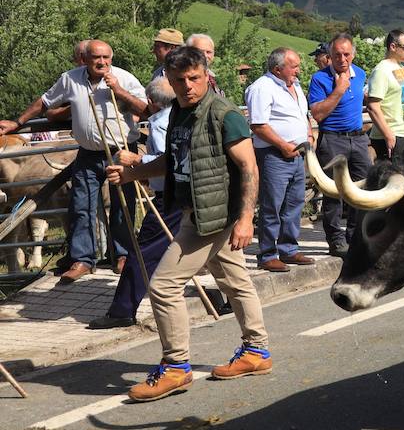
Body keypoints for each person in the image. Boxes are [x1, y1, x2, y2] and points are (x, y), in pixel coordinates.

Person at [107, 44, 272, 402]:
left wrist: (245, 219)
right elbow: (172, 161)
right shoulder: (180, 113)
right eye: (179, 80)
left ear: (206, 76)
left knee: (163, 286)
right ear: (168, 80)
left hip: (211, 218)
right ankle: (256, 352)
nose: (188, 86)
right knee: (235, 280)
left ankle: (176, 367)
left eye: (194, 79)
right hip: (194, 211)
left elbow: (249, 167)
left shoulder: (224, 115)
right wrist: (134, 172)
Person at [0, 39, 148, 282]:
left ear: (111, 58)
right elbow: (45, 102)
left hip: (121, 150)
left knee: (123, 205)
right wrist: (18, 122)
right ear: (85, 59)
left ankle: (122, 256)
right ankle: (83, 260)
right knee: (81, 206)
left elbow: (146, 109)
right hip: (88, 153)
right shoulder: (70, 78)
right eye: (96, 58)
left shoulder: (125, 78)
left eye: (106, 58)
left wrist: (119, 91)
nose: (102, 62)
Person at [88, 77, 183, 329]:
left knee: (143, 253)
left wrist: (136, 160)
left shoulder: (163, 123)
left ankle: (122, 310)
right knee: (202, 248)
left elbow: (167, 161)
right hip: (186, 195)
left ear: (150, 102)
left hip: (170, 199)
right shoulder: (180, 117)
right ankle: (226, 295)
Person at [245, 48, 314, 273]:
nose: (298, 70)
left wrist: (309, 134)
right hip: (274, 155)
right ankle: (267, 254)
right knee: (272, 206)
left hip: (297, 154)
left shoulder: (294, 87)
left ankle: (288, 249)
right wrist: (284, 146)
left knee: (294, 203)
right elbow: (258, 125)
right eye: (293, 66)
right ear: (277, 69)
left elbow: (302, 115)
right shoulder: (261, 88)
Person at [308, 34, 370, 256]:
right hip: (332, 139)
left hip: (358, 138)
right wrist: (339, 89)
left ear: (352, 54)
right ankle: (336, 241)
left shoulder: (361, 74)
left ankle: (355, 236)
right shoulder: (319, 79)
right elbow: (318, 114)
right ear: (329, 56)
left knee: (361, 189)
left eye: (346, 54)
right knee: (334, 193)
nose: (342, 59)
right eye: (337, 55)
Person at [365, 29, 404, 167]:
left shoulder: (401, 68)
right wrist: (388, 134)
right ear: (393, 47)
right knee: (392, 181)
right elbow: (373, 107)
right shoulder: (381, 70)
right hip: (392, 135)